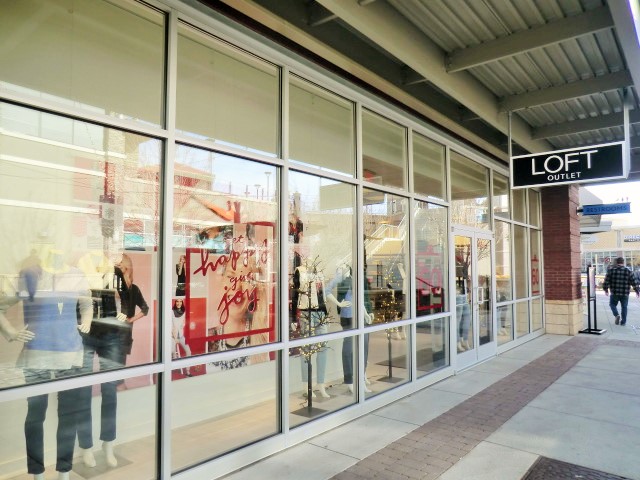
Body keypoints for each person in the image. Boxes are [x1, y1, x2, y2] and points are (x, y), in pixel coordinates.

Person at [4, 251, 93, 480]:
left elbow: (87, 304)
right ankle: (37, 473)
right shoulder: (29, 274)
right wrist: (11, 333)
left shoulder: (76, 274)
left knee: (68, 415)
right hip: (37, 354)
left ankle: (64, 472)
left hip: (70, 353)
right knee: (35, 415)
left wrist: (86, 322)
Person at [77, 252, 149, 469]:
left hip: (111, 335)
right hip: (85, 334)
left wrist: (124, 317)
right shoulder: (80, 269)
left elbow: (127, 300)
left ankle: (108, 443)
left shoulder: (115, 272)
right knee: (83, 392)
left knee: (109, 391)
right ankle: (86, 446)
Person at [325, 264, 373, 394]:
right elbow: (326, 290)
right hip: (349, 317)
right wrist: (339, 304)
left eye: (345, 266)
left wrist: (366, 313)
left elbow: (360, 300)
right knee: (348, 350)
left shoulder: (356, 279)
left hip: (360, 317)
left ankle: (361, 378)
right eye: (341, 266)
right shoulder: (341, 279)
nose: (344, 268)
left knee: (363, 349)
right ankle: (350, 379)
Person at [603, 256, 640, 326]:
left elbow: (606, 281)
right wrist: (637, 291)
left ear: (617, 262)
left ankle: (616, 315)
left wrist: (606, 290)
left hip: (614, 292)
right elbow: (634, 282)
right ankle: (623, 322)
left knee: (612, 304)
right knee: (624, 307)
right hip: (625, 293)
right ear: (623, 262)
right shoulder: (628, 271)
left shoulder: (611, 271)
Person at [172, 298, 192, 375]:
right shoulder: (171, 312)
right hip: (172, 336)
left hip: (180, 335)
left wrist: (182, 325)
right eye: (177, 301)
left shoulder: (183, 312)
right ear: (175, 302)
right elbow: (170, 325)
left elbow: (184, 322)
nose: (179, 303)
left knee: (188, 351)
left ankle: (188, 371)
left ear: (182, 303)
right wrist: (175, 338)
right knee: (171, 352)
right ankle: (173, 367)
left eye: (180, 301)